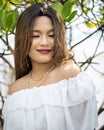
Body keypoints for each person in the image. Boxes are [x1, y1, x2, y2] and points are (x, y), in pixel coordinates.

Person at [2, 2, 98, 130]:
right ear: (23, 38)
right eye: (35, 36)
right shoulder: (15, 90)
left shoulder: (70, 76)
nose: (44, 42)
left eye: (51, 35)